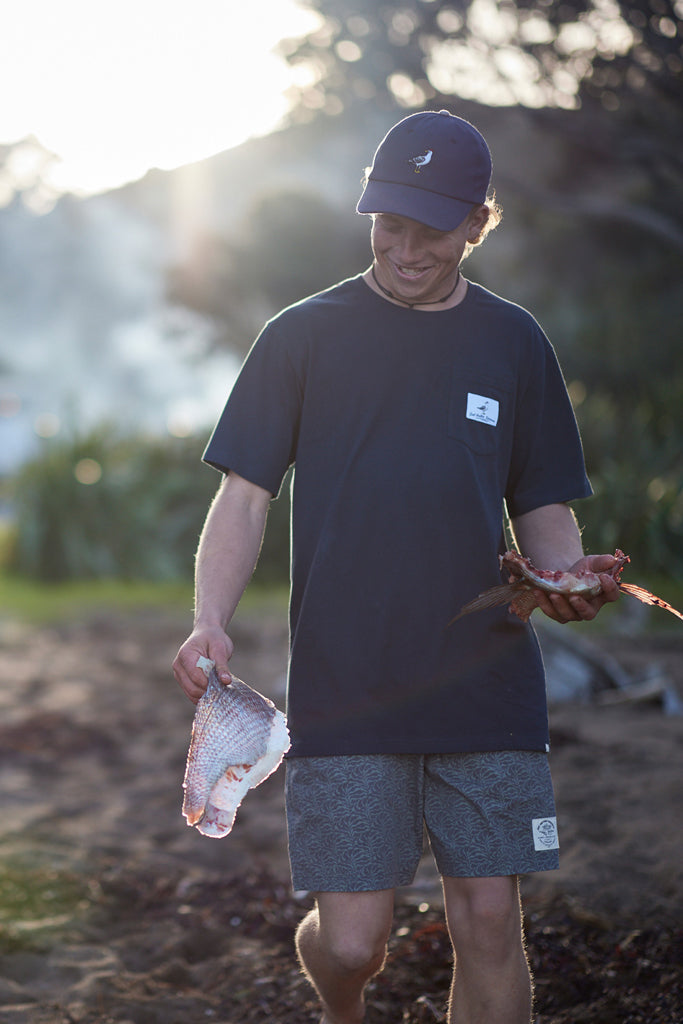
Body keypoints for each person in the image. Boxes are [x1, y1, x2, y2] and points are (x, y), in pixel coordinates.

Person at [173, 109, 621, 1024]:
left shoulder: (513, 343)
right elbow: (244, 497)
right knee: (351, 946)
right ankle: (342, 1009)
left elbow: (542, 507)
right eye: (389, 225)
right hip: (349, 681)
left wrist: (564, 579)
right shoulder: (302, 337)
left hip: (486, 681)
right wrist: (209, 619)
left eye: (432, 229)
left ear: (476, 224)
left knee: (490, 921)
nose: (406, 248)